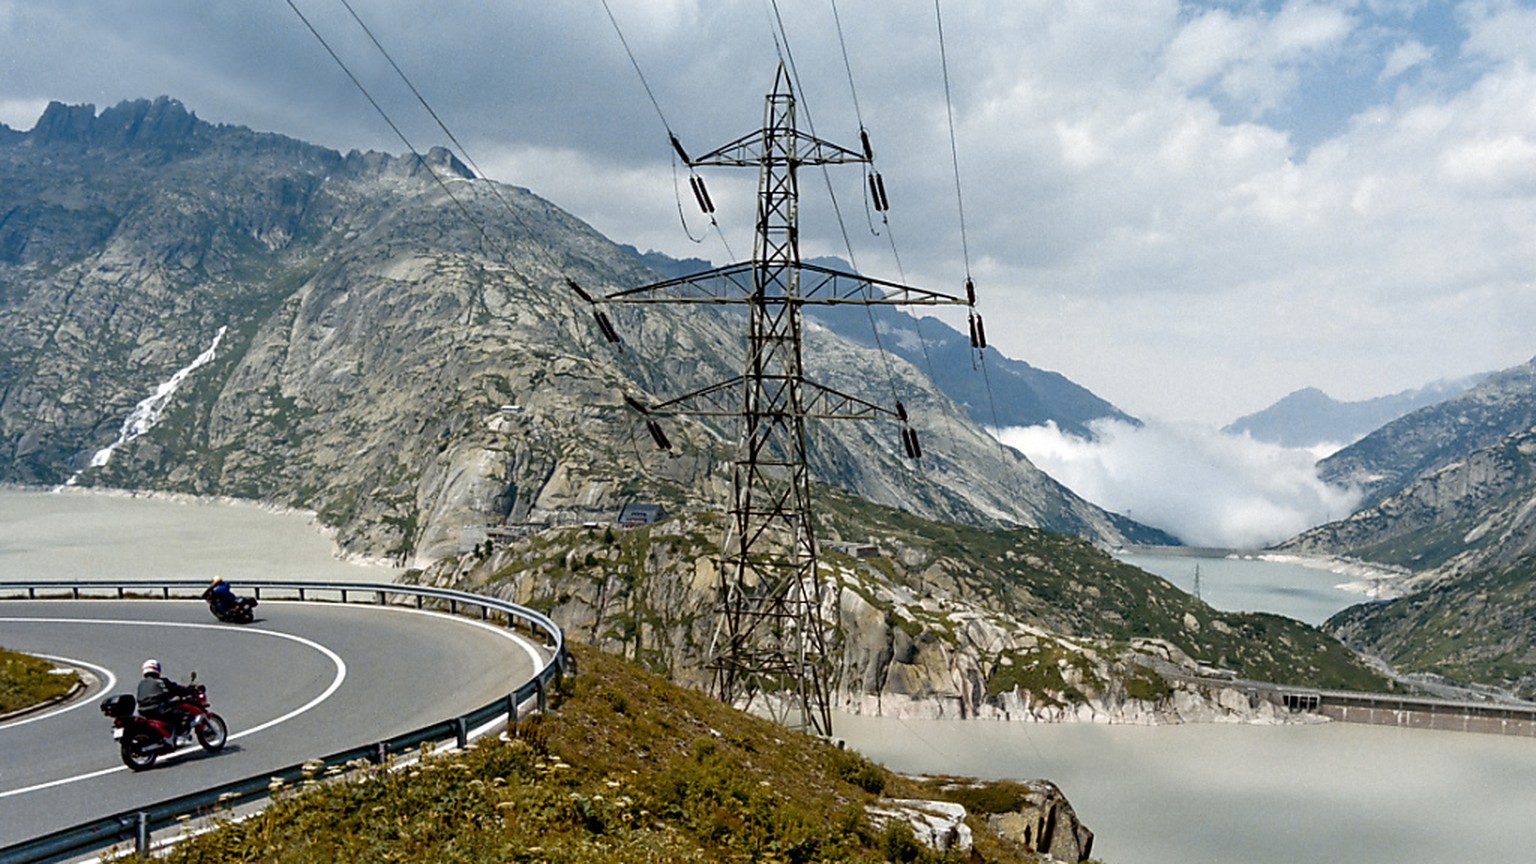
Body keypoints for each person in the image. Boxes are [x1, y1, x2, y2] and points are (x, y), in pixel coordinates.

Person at [136, 659, 192, 742]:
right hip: (159, 709)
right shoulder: (161, 681)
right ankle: (180, 736)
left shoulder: (141, 684)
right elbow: (177, 689)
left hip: (143, 711)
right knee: (185, 714)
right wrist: (190, 690)